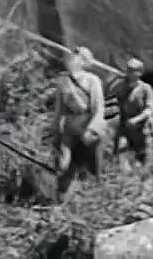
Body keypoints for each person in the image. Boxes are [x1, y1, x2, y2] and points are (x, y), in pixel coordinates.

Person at [53, 46, 107, 202]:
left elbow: (98, 108)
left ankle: (96, 197)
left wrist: (92, 130)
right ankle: (61, 198)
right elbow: (59, 110)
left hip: (87, 125)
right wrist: (56, 134)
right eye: (70, 58)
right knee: (63, 165)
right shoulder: (63, 81)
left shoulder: (92, 80)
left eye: (75, 57)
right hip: (70, 127)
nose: (70, 60)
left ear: (83, 61)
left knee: (92, 166)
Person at [113, 57, 153, 166]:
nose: (130, 73)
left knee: (144, 160)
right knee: (120, 154)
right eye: (129, 69)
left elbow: (149, 110)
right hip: (124, 127)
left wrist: (136, 119)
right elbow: (112, 101)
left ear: (140, 73)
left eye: (133, 70)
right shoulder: (120, 86)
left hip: (141, 128)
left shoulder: (146, 89)